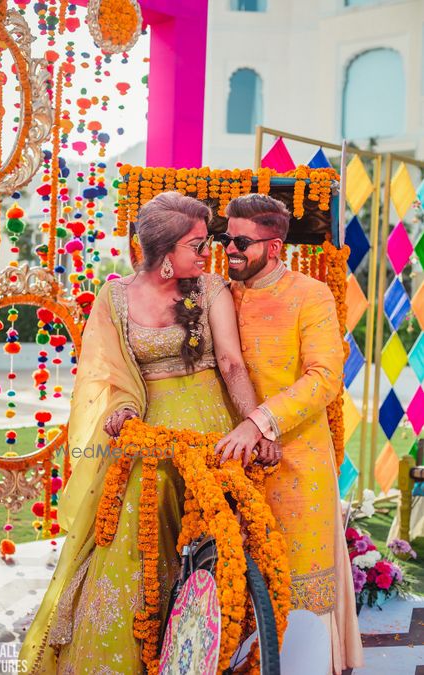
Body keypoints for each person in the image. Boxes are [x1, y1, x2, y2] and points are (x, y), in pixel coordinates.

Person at [19, 191, 279, 674]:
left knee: (213, 546)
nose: (207, 254)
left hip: (212, 437)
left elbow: (231, 363)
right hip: (148, 440)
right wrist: (121, 411)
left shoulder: (211, 288)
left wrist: (254, 425)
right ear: (164, 255)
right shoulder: (114, 297)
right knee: (134, 544)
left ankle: (204, 654)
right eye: (197, 245)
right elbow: (106, 373)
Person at [216, 193, 364, 674]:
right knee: (233, 578)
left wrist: (260, 421)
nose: (230, 250)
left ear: (275, 246)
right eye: (226, 238)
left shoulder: (310, 294)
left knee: (299, 584)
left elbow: (324, 377)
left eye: (241, 241)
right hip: (230, 460)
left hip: (297, 462)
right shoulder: (219, 293)